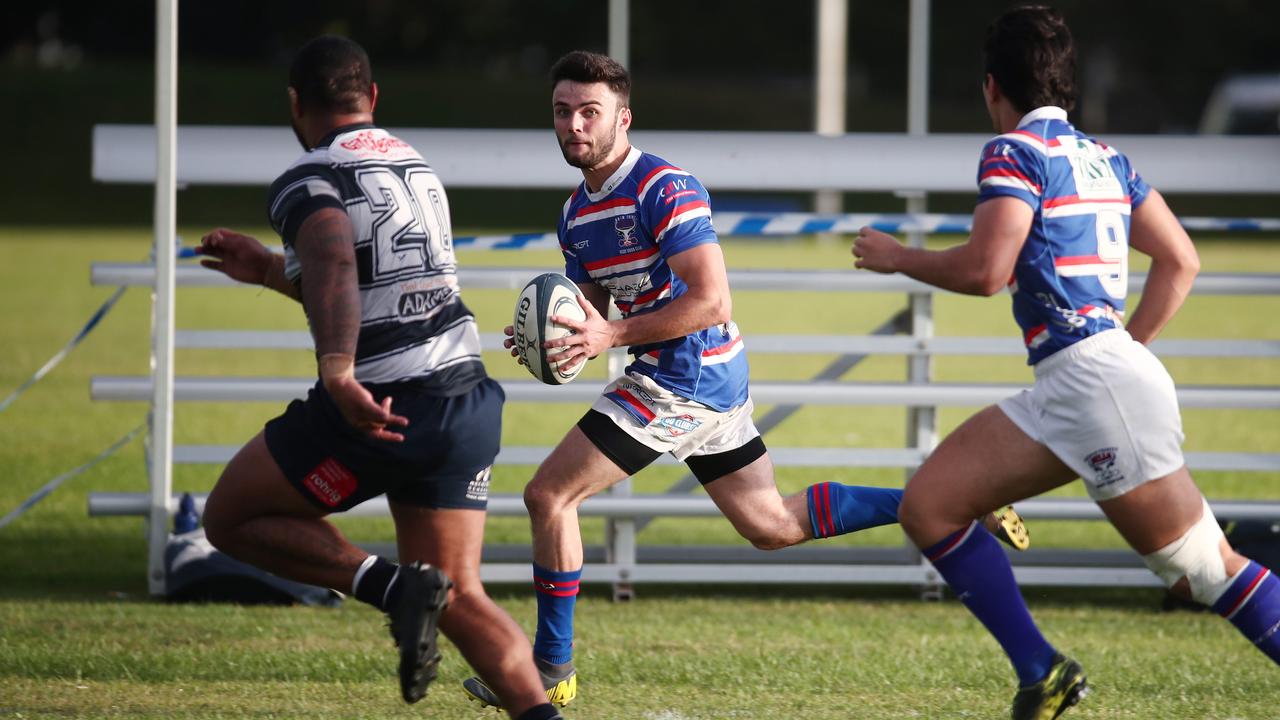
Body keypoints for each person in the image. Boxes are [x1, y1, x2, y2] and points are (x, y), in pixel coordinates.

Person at [460, 49, 1031, 711]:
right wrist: (553, 342)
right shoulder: (574, 215)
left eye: (591, 112)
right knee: (771, 525)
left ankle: (547, 673)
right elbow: (593, 318)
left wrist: (609, 337)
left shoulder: (662, 187)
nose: (575, 125)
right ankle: (947, 501)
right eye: (563, 112)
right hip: (685, 376)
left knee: (549, 495)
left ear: (624, 117)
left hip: (687, 376)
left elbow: (712, 301)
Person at [852, 6, 1280, 719]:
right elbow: (1180, 259)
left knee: (1203, 571)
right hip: (1082, 382)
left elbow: (990, 270)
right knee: (932, 505)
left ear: (993, 87)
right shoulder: (1106, 159)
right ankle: (1041, 674)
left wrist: (899, 258)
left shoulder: (1014, 152)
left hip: (1092, 383)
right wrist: (1125, 350)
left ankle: (1041, 668)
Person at [195, 35, 567, 720]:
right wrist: (273, 271)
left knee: (230, 517)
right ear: (371, 98)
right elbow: (371, 288)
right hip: (464, 398)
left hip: (382, 403)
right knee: (460, 592)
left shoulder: (308, 176)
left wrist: (336, 372)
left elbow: (335, 264)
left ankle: (392, 589)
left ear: (294, 104)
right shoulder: (413, 163)